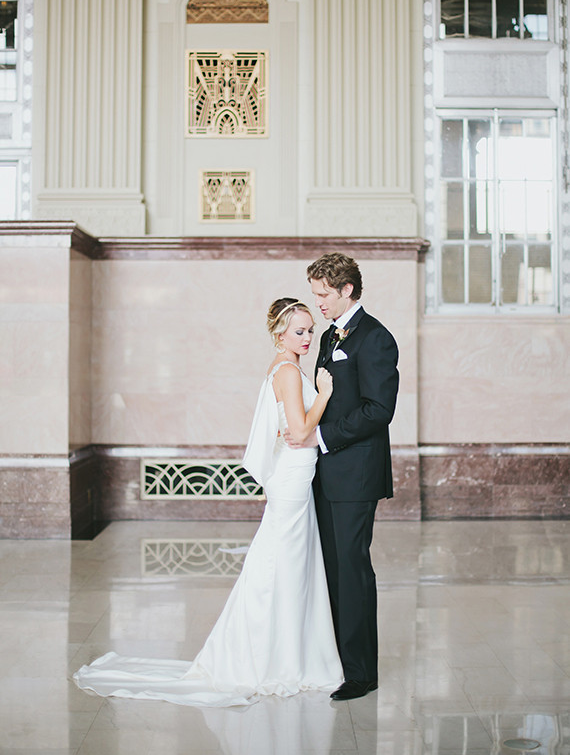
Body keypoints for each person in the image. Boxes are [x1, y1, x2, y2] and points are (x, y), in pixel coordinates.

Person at [73, 298, 342, 707]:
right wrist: (324, 394)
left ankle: (286, 653)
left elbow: (292, 429)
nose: (307, 338)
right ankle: (277, 659)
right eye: (299, 331)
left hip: (296, 475)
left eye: (310, 330)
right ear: (279, 334)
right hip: (291, 480)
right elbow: (302, 430)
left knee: (285, 561)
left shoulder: (286, 367)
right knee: (284, 563)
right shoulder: (288, 371)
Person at [285, 253, 399, 701]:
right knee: (331, 567)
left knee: (352, 571)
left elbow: (379, 410)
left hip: (355, 475)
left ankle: (361, 673)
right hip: (325, 472)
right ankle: (335, 660)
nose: (318, 302)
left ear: (347, 289)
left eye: (324, 294)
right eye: (315, 294)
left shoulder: (376, 338)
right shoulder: (332, 334)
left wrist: (320, 437)